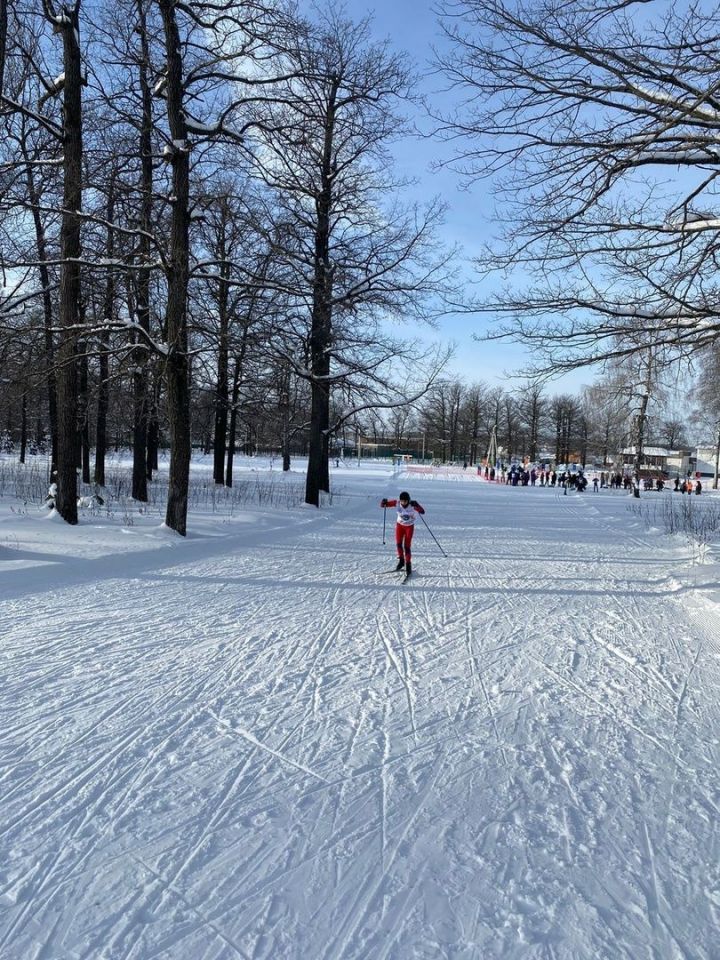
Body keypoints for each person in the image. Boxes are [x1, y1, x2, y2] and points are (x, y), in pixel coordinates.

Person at [380, 491, 425, 577]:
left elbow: (422, 511)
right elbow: (383, 505)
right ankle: (401, 561)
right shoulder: (397, 503)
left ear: (408, 500)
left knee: (407, 547)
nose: (403, 503)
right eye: (402, 501)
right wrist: (384, 502)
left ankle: (408, 565)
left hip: (409, 527)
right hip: (400, 526)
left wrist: (417, 505)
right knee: (398, 544)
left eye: (405, 501)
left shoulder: (412, 505)